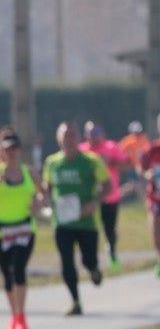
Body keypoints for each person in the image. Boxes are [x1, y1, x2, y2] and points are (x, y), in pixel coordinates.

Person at [0, 127, 48, 329]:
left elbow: (45, 195)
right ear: (0, 151)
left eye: (15, 148)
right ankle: (14, 315)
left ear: (20, 150)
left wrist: (40, 202)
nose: (11, 153)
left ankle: (22, 315)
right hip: (1, 231)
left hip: (24, 229)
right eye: (7, 149)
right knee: (7, 276)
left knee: (18, 269)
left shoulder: (29, 172)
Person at [42, 121, 110, 315]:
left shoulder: (91, 161)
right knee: (66, 262)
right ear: (58, 139)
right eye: (65, 136)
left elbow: (107, 186)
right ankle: (75, 301)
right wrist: (45, 199)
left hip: (86, 222)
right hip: (62, 222)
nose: (69, 139)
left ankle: (94, 270)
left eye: (72, 135)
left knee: (88, 261)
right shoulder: (52, 162)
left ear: (79, 138)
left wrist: (94, 203)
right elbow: (47, 186)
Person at [80, 122, 129, 271]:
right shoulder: (82, 150)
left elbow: (127, 165)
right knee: (90, 229)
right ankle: (90, 259)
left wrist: (111, 162)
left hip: (110, 196)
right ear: (85, 135)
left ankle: (112, 250)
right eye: (91, 132)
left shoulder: (111, 147)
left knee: (109, 229)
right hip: (89, 198)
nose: (95, 135)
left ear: (102, 132)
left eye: (97, 131)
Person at [138, 114, 160, 278]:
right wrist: (148, 175)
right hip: (155, 198)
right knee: (156, 232)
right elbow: (141, 168)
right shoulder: (151, 149)